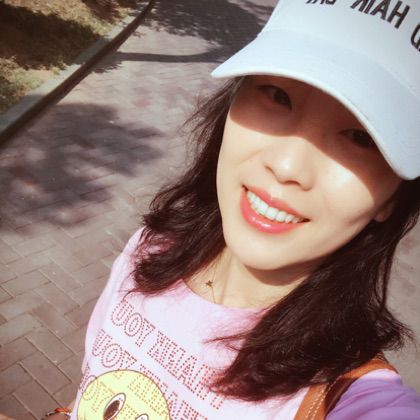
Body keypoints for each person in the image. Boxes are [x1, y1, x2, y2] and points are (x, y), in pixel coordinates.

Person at [44, 0, 420, 418]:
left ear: (393, 197)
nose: (286, 166)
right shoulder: (150, 252)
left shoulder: (354, 397)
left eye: (360, 138)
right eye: (277, 95)